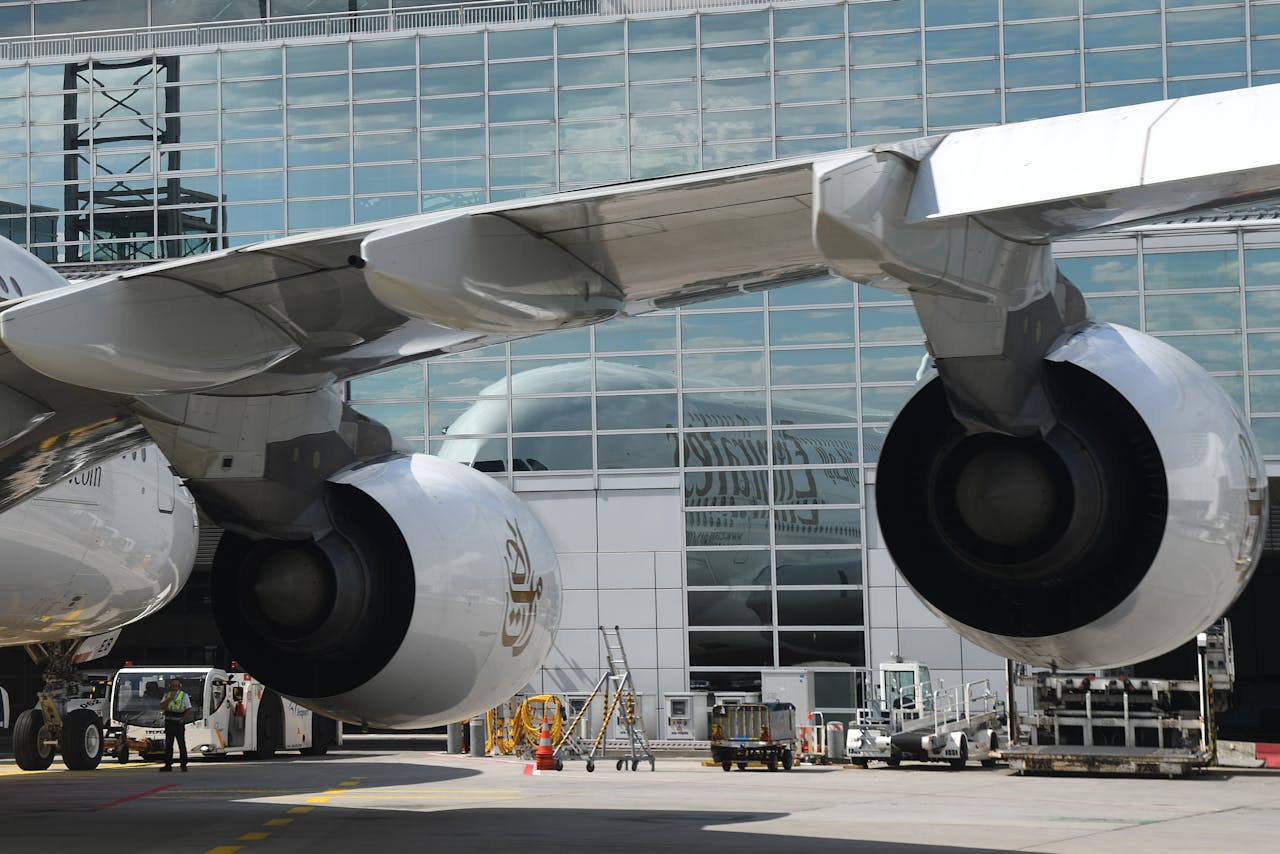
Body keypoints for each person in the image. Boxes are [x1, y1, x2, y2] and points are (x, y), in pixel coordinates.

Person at [159, 677, 192, 772]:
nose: (175, 687)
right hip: (169, 722)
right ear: (170, 686)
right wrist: (170, 698)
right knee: (169, 744)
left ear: (179, 686)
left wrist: (183, 719)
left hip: (178, 722)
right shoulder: (167, 695)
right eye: (173, 686)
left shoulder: (183, 695)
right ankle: (168, 765)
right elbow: (162, 706)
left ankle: (183, 764)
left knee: (181, 743)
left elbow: (188, 709)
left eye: (176, 686)